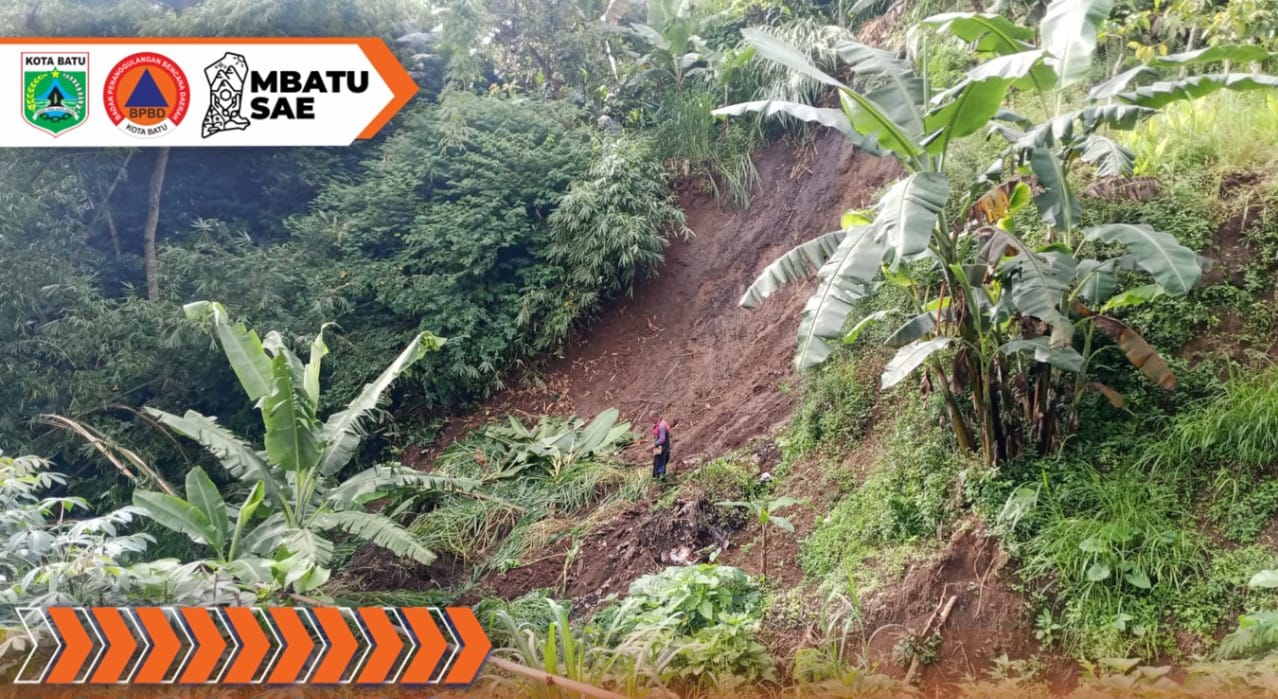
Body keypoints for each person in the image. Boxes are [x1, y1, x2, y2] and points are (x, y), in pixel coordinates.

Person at [651, 413, 671, 481]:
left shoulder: (662, 425)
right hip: (658, 448)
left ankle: (660, 479)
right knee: (656, 462)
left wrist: (653, 445)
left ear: (655, 417)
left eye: (652, 419)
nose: (651, 421)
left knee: (660, 464)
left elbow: (662, 439)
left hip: (662, 448)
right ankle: (655, 478)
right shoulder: (659, 424)